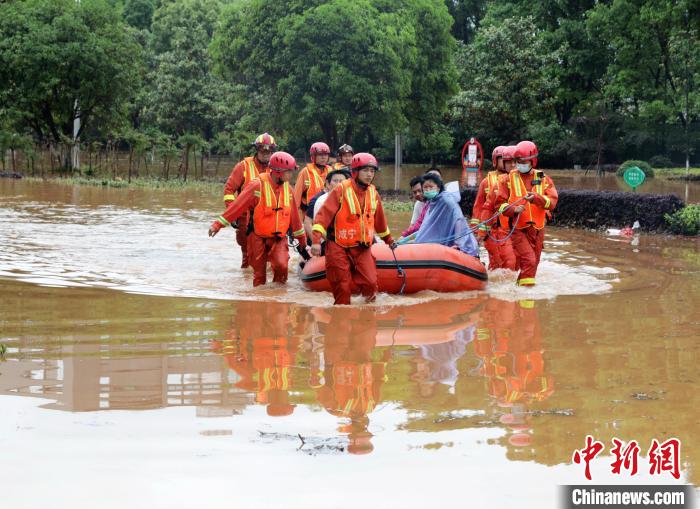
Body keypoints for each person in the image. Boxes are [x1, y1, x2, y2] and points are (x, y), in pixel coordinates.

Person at [209, 151, 307, 287]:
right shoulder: (256, 185)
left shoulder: (288, 189)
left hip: (279, 238)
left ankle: (278, 300)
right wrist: (217, 225)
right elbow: (237, 206)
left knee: (282, 266)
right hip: (257, 237)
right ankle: (258, 303)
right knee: (259, 276)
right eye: (289, 171)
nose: (291, 175)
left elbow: (295, 217)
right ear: (278, 172)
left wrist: (302, 239)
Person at [311, 152, 395, 305]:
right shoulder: (340, 190)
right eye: (366, 170)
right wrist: (316, 241)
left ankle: (366, 320)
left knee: (370, 283)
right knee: (342, 287)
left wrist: (389, 240)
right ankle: (341, 322)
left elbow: (380, 221)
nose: (370, 175)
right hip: (338, 246)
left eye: (372, 171)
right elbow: (322, 217)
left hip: (361, 248)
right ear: (355, 171)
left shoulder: (373, 193)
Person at [493, 140, 558, 286]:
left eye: (524, 161)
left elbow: (552, 202)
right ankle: (527, 300)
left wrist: (536, 198)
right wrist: (513, 209)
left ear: (533, 161)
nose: (520, 164)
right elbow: (499, 204)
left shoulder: (542, 177)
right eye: (518, 161)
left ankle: (520, 300)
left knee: (533, 264)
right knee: (529, 260)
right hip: (518, 229)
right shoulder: (507, 179)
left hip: (538, 229)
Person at [221, 133, 275, 268]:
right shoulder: (243, 166)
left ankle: (266, 288)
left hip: (270, 218)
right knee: (248, 255)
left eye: (269, 151)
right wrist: (233, 213)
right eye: (263, 150)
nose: (266, 153)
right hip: (246, 218)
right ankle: (246, 285)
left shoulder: (276, 167)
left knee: (270, 257)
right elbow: (229, 190)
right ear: (257, 149)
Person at [405, 173, 479, 257]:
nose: (428, 190)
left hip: (459, 245)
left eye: (431, 187)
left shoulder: (446, 199)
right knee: (413, 243)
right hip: (439, 245)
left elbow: (459, 219)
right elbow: (425, 225)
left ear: (438, 187)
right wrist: (409, 237)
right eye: (425, 187)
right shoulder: (431, 202)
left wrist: (459, 242)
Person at [472, 146, 517, 271]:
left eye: (510, 159)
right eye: (503, 159)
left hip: (513, 228)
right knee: (499, 262)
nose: (507, 162)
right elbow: (479, 208)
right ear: (495, 161)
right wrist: (477, 232)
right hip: (493, 230)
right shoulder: (486, 182)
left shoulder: (518, 180)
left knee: (513, 261)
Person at [302, 168, 350, 244]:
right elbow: (309, 223)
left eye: (341, 181)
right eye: (335, 181)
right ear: (328, 184)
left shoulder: (351, 200)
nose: (338, 184)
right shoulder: (319, 201)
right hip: (328, 242)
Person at [294, 142, 333, 215]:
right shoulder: (305, 172)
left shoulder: (331, 171)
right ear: (313, 156)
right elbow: (297, 196)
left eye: (325, 154)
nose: (323, 157)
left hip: (327, 211)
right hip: (309, 212)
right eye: (320, 155)